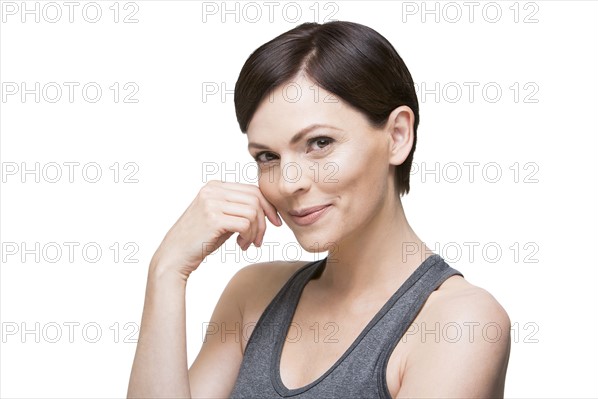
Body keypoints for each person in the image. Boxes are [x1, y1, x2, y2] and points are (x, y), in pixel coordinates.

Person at [127, 21, 511, 398]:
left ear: (397, 136)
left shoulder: (460, 322)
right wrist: (166, 269)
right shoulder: (253, 296)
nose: (288, 181)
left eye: (319, 142)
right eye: (267, 156)